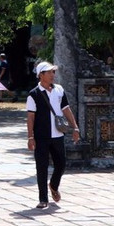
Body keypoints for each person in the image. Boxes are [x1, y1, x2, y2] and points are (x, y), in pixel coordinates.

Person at [26, 61, 81, 209]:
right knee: (41, 167)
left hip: (57, 134)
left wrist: (75, 127)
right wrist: (30, 137)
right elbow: (31, 117)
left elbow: (66, 109)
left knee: (61, 164)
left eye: (53, 72)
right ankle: (43, 198)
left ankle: (54, 185)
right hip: (41, 136)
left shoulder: (59, 90)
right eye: (49, 72)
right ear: (41, 75)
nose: (52, 75)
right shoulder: (34, 94)